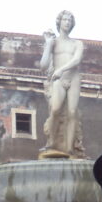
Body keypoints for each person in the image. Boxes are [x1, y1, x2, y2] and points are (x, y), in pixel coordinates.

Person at [40, 10, 84, 156]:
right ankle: (51, 142)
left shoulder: (77, 43)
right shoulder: (53, 43)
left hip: (73, 78)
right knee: (55, 109)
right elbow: (43, 66)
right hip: (58, 80)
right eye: (65, 19)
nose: (67, 22)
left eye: (70, 20)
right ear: (59, 22)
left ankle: (69, 148)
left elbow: (77, 60)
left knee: (72, 113)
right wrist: (47, 44)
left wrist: (61, 70)